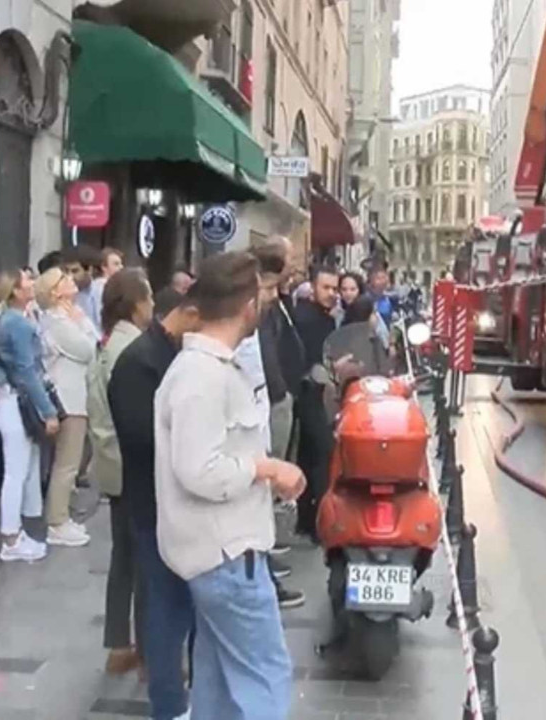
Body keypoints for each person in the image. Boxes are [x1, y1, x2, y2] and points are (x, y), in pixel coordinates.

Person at [155, 251, 303, 720]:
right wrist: (267, 469)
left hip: (219, 553)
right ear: (247, 305)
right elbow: (200, 469)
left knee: (218, 680)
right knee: (265, 677)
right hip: (227, 555)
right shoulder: (201, 376)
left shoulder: (205, 369)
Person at [108, 287, 202, 720]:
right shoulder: (138, 362)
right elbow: (144, 439)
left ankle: (189, 691)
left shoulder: (174, 356)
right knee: (165, 607)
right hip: (155, 506)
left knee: (185, 607)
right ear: (189, 315)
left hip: (183, 506)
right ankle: (170, 704)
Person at [88, 268, 151, 675]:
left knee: (124, 557)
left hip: (113, 464)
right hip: (131, 466)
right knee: (143, 559)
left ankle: (118, 643)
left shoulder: (108, 344)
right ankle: (148, 648)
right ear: (135, 303)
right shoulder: (132, 350)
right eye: (148, 297)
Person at [241, 241, 306, 610]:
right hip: (255, 417)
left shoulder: (268, 312)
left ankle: (262, 561)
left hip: (265, 406)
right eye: (264, 288)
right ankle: (259, 572)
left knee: (261, 497)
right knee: (256, 496)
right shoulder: (249, 323)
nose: (270, 294)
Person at [0, 269, 60, 562]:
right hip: (16, 403)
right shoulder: (17, 323)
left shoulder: (11, 319)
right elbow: (27, 372)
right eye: (27, 280)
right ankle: (11, 536)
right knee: (17, 472)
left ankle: (20, 531)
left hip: (10, 401)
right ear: (16, 291)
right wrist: (48, 411)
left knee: (23, 469)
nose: (33, 283)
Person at [33, 267, 97, 548]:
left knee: (68, 462)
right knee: (66, 464)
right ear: (55, 292)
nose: (71, 281)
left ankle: (61, 516)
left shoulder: (64, 318)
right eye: (64, 279)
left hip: (74, 397)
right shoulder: (57, 322)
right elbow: (88, 349)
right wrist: (82, 322)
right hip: (68, 399)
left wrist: (81, 320)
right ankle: (56, 522)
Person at [288, 265, 340, 540]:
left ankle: (307, 520)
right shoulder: (307, 318)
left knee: (309, 456)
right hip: (309, 391)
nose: (332, 293)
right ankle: (319, 521)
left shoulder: (325, 318)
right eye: (326, 288)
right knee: (322, 454)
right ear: (313, 287)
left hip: (316, 392)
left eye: (335, 288)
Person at [88, 248, 125, 337]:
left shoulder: (103, 285)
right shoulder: (101, 286)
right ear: (104, 267)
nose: (121, 267)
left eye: (121, 263)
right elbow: (100, 316)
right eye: (116, 264)